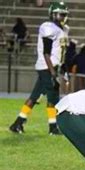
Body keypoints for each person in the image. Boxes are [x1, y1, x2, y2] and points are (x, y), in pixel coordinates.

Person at [9, 2, 69, 135]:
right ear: (53, 14)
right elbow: (46, 52)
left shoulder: (63, 30)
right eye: (61, 14)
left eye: (64, 15)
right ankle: (53, 128)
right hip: (46, 67)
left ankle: (18, 123)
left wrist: (63, 70)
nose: (63, 17)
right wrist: (53, 73)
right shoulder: (48, 27)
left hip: (52, 67)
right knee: (53, 97)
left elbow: (61, 53)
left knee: (35, 96)